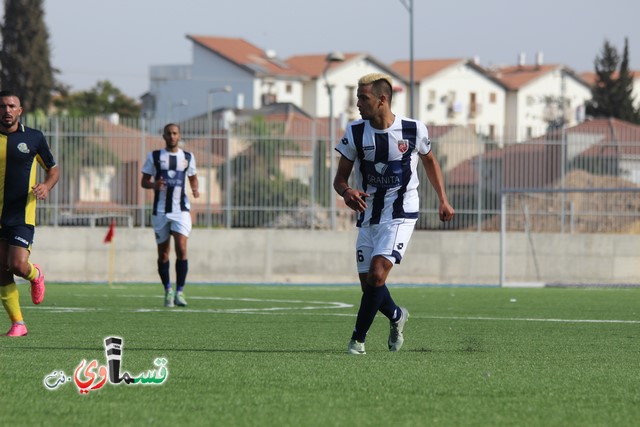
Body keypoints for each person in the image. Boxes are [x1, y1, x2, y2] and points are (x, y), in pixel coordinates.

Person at [333, 73, 455, 355]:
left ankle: (357, 341)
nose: (358, 104)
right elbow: (340, 179)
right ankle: (397, 316)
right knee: (370, 286)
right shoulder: (355, 132)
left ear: (382, 100)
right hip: (369, 215)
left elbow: (430, 161)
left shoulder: (413, 130)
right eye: (357, 98)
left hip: (402, 213)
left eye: (363, 98)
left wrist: (443, 200)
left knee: (377, 275)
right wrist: (346, 192)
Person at [0, 90, 59, 337]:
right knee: (0, 270)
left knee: (16, 264)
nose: (7, 111)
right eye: (2, 107)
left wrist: (45, 186)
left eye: (12, 106)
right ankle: (18, 324)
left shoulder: (33, 138)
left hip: (22, 213)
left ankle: (35, 275)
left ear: (20, 111)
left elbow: (53, 169)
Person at [141, 123, 199, 307]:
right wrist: (153, 185)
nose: (172, 136)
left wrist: (195, 188)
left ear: (179, 135)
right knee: (164, 254)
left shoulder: (188, 157)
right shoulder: (155, 156)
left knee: (181, 249)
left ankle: (180, 292)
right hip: (160, 211)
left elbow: (193, 176)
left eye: (175, 133)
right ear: (164, 136)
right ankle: (168, 290)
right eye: (169, 133)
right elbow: (144, 181)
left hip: (181, 211)